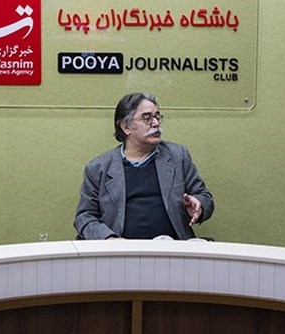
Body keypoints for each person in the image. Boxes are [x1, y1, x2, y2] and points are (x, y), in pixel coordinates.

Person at [74, 92, 214, 240]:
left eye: (157, 117)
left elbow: (204, 197)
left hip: (172, 247)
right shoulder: (98, 168)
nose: (156, 123)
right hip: (122, 251)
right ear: (126, 127)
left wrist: (199, 205)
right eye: (147, 118)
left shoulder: (178, 156)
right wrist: (110, 239)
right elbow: (84, 217)